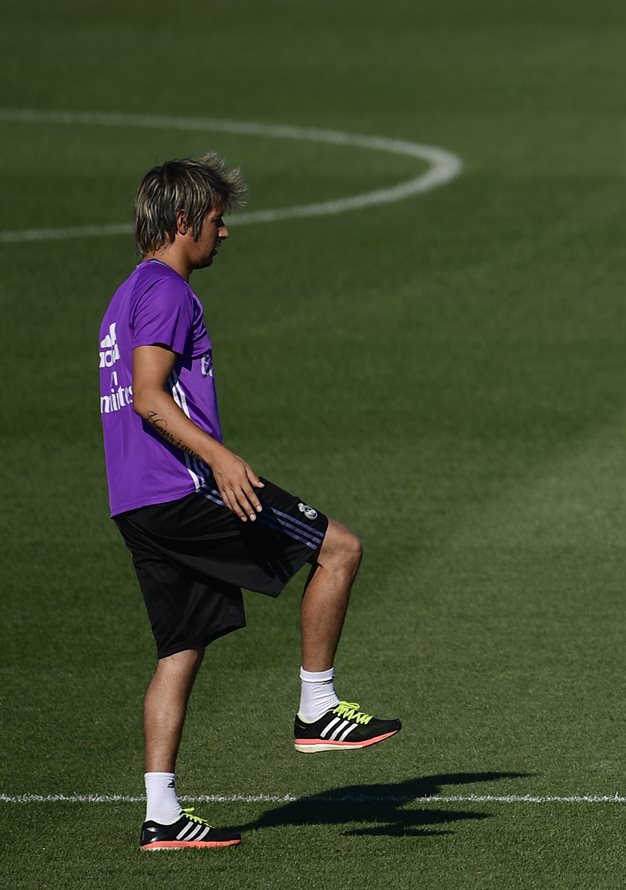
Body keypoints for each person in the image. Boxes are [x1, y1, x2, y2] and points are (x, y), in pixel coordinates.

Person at [99, 154, 402, 850]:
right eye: (215, 219)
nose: (223, 233)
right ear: (182, 223)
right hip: (185, 490)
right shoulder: (169, 292)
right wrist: (219, 455)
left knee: (181, 649)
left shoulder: (124, 298)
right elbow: (149, 397)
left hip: (136, 501)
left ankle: (162, 816)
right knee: (340, 549)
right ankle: (318, 710)